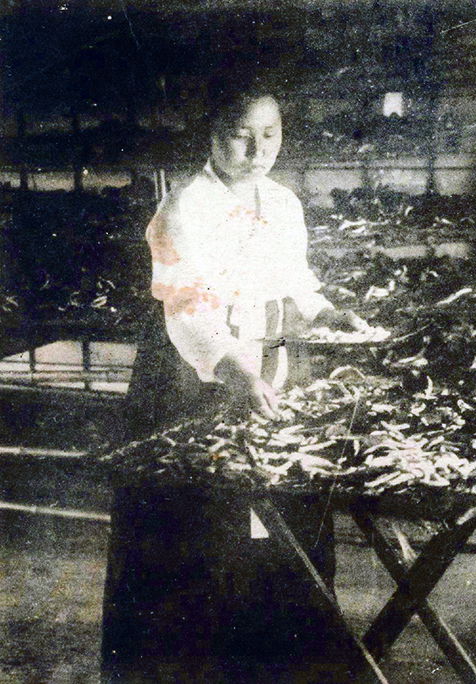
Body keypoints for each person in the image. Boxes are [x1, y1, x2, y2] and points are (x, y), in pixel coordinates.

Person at [102, 77, 368, 682]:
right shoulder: (182, 208)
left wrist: (327, 311)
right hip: (193, 375)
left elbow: (296, 280)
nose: (257, 150)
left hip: (270, 366)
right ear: (213, 136)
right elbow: (187, 307)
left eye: (269, 135)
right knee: (201, 527)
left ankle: (278, 662)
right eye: (240, 136)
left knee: (282, 514)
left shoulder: (283, 203)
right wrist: (231, 364)